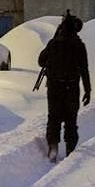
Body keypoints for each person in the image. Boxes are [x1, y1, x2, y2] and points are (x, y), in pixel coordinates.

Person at [37, 11, 91, 163]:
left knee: (53, 118)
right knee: (70, 120)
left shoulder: (54, 43)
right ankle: (70, 150)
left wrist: (53, 43)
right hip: (72, 87)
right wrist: (88, 90)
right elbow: (84, 69)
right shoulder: (79, 46)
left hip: (54, 87)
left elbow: (41, 61)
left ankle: (53, 147)